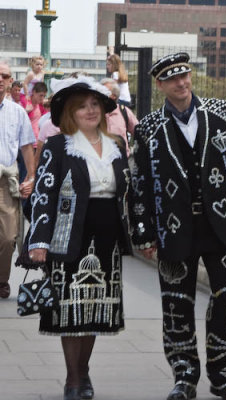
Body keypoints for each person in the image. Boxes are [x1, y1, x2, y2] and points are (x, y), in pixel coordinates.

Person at [130, 53, 226, 400]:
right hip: (173, 229)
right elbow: (139, 183)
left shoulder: (222, 112)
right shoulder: (147, 128)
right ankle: (184, 376)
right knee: (176, 303)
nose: (182, 83)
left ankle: (223, 379)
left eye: (185, 75)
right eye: (173, 79)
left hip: (221, 225)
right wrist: (142, 231)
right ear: (160, 85)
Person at [27, 75, 132, 400]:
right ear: (69, 112)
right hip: (67, 236)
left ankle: (83, 372)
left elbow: (129, 192)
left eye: (94, 105)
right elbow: (43, 194)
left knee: (94, 311)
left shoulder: (116, 144)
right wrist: (39, 241)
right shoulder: (58, 146)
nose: (90, 111)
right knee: (70, 312)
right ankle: (74, 380)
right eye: (82, 106)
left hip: (107, 239)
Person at [0, 61, 35, 299]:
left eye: (5, 76)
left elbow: (26, 148)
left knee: (9, 238)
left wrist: (31, 177)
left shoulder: (17, 112)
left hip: (6, 182)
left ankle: (2, 279)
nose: (1, 79)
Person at [101, 77, 138, 157]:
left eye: (104, 91)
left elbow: (138, 132)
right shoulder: (95, 113)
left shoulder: (124, 111)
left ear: (114, 96)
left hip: (122, 161)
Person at [20, 81, 48, 147]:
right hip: (26, 143)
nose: (42, 98)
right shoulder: (25, 102)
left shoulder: (41, 106)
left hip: (38, 142)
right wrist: (26, 111)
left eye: (44, 96)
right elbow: (16, 121)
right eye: (41, 95)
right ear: (34, 92)